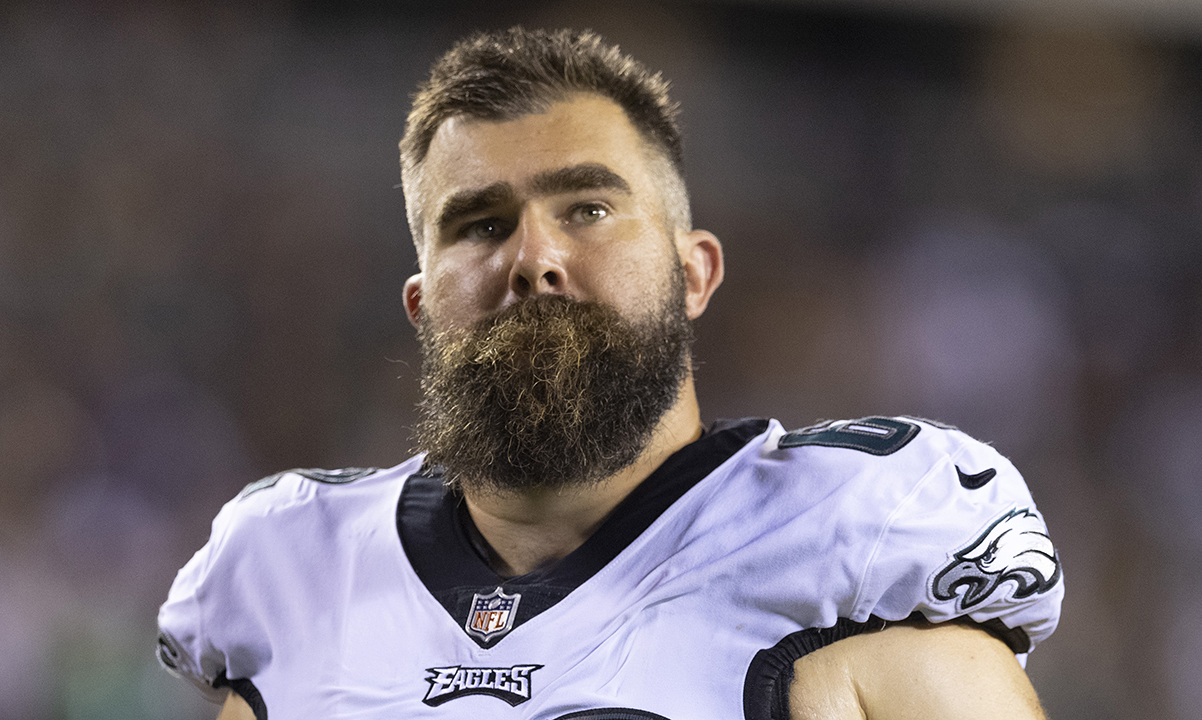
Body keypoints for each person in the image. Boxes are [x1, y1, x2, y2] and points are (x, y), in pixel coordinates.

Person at [157, 27, 1062, 720]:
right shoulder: (293, 574)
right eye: (479, 224)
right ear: (423, 306)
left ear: (695, 273)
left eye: (587, 207)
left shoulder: (854, 553)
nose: (534, 257)